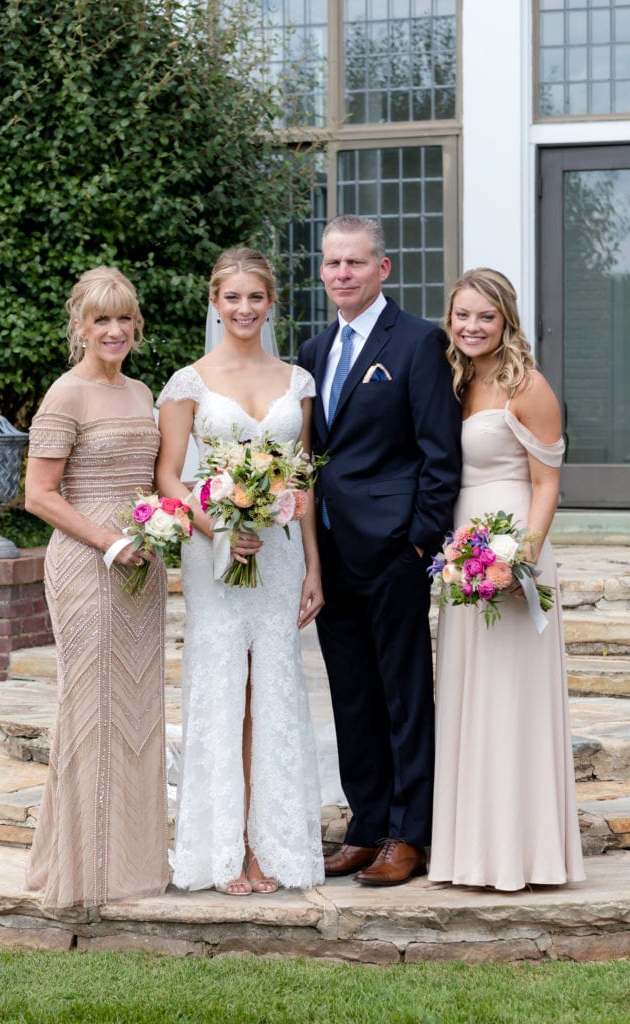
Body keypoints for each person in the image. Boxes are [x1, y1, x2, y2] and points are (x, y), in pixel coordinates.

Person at [298, 215, 462, 886]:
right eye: (332, 264)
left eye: (355, 263)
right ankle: (366, 826)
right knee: (352, 695)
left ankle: (407, 832)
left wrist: (418, 539)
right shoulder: (311, 352)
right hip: (330, 547)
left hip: (394, 547)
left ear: (381, 269)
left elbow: (438, 454)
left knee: (402, 693)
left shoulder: (419, 342)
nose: (342, 274)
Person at [155, 247, 325, 895]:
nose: (244, 309)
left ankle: (269, 849)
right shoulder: (187, 382)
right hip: (214, 552)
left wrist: (313, 566)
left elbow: (302, 477)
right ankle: (222, 853)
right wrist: (218, 526)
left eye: (255, 297)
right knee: (224, 689)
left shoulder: (297, 382)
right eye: (232, 298)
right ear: (214, 302)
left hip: (279, 554)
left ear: (270, 302)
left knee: (274, 691)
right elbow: (169, 475)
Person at [428, 267, 586, 891]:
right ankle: (471, 853)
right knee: (469, 691)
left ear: (505, 321)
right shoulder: (457, 380)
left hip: (513, 545)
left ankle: (528, 855)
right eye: (462, 315)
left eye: (484, 317)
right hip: (462, 550)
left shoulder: (529, 386)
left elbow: (548, 482)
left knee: (513, 695)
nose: (471, 327)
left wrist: (520, 558)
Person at [25, 267, 169, 910]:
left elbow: (157, 482)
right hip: (88, 565)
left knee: (138, 710)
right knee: (89, 710)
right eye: (101, 320)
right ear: (79, 327)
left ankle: (133, 864)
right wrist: (109, 542)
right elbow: (38, 495)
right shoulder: (66, 394)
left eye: (124, 319)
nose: (114, 331)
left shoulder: (143, 392)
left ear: (136, 324)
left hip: (144, 566)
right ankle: (83, 871)